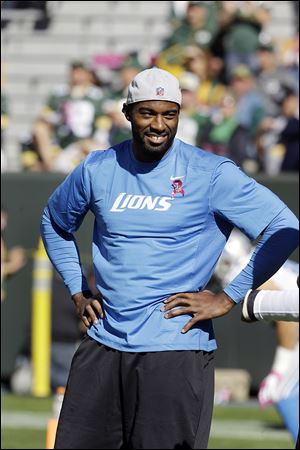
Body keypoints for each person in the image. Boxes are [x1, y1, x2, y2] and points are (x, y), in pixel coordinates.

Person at [40, 67, 299, 449]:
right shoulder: (97, 168)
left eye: (169, 114)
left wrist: (228, 296)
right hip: (102, 345)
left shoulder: (210, 173)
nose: (159, 125)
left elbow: (284, 226)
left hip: (174, 351)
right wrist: (79, 291)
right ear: (128, 113)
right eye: (148, 113)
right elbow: (53, 222)